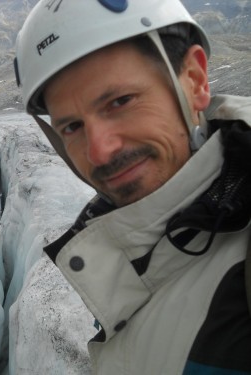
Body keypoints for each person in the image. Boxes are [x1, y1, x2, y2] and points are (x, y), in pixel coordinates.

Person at [14, 0, 251, 373]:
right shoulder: (132, 243)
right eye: (72, 127)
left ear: (194, 80)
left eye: (120, 101)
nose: (99, 151)